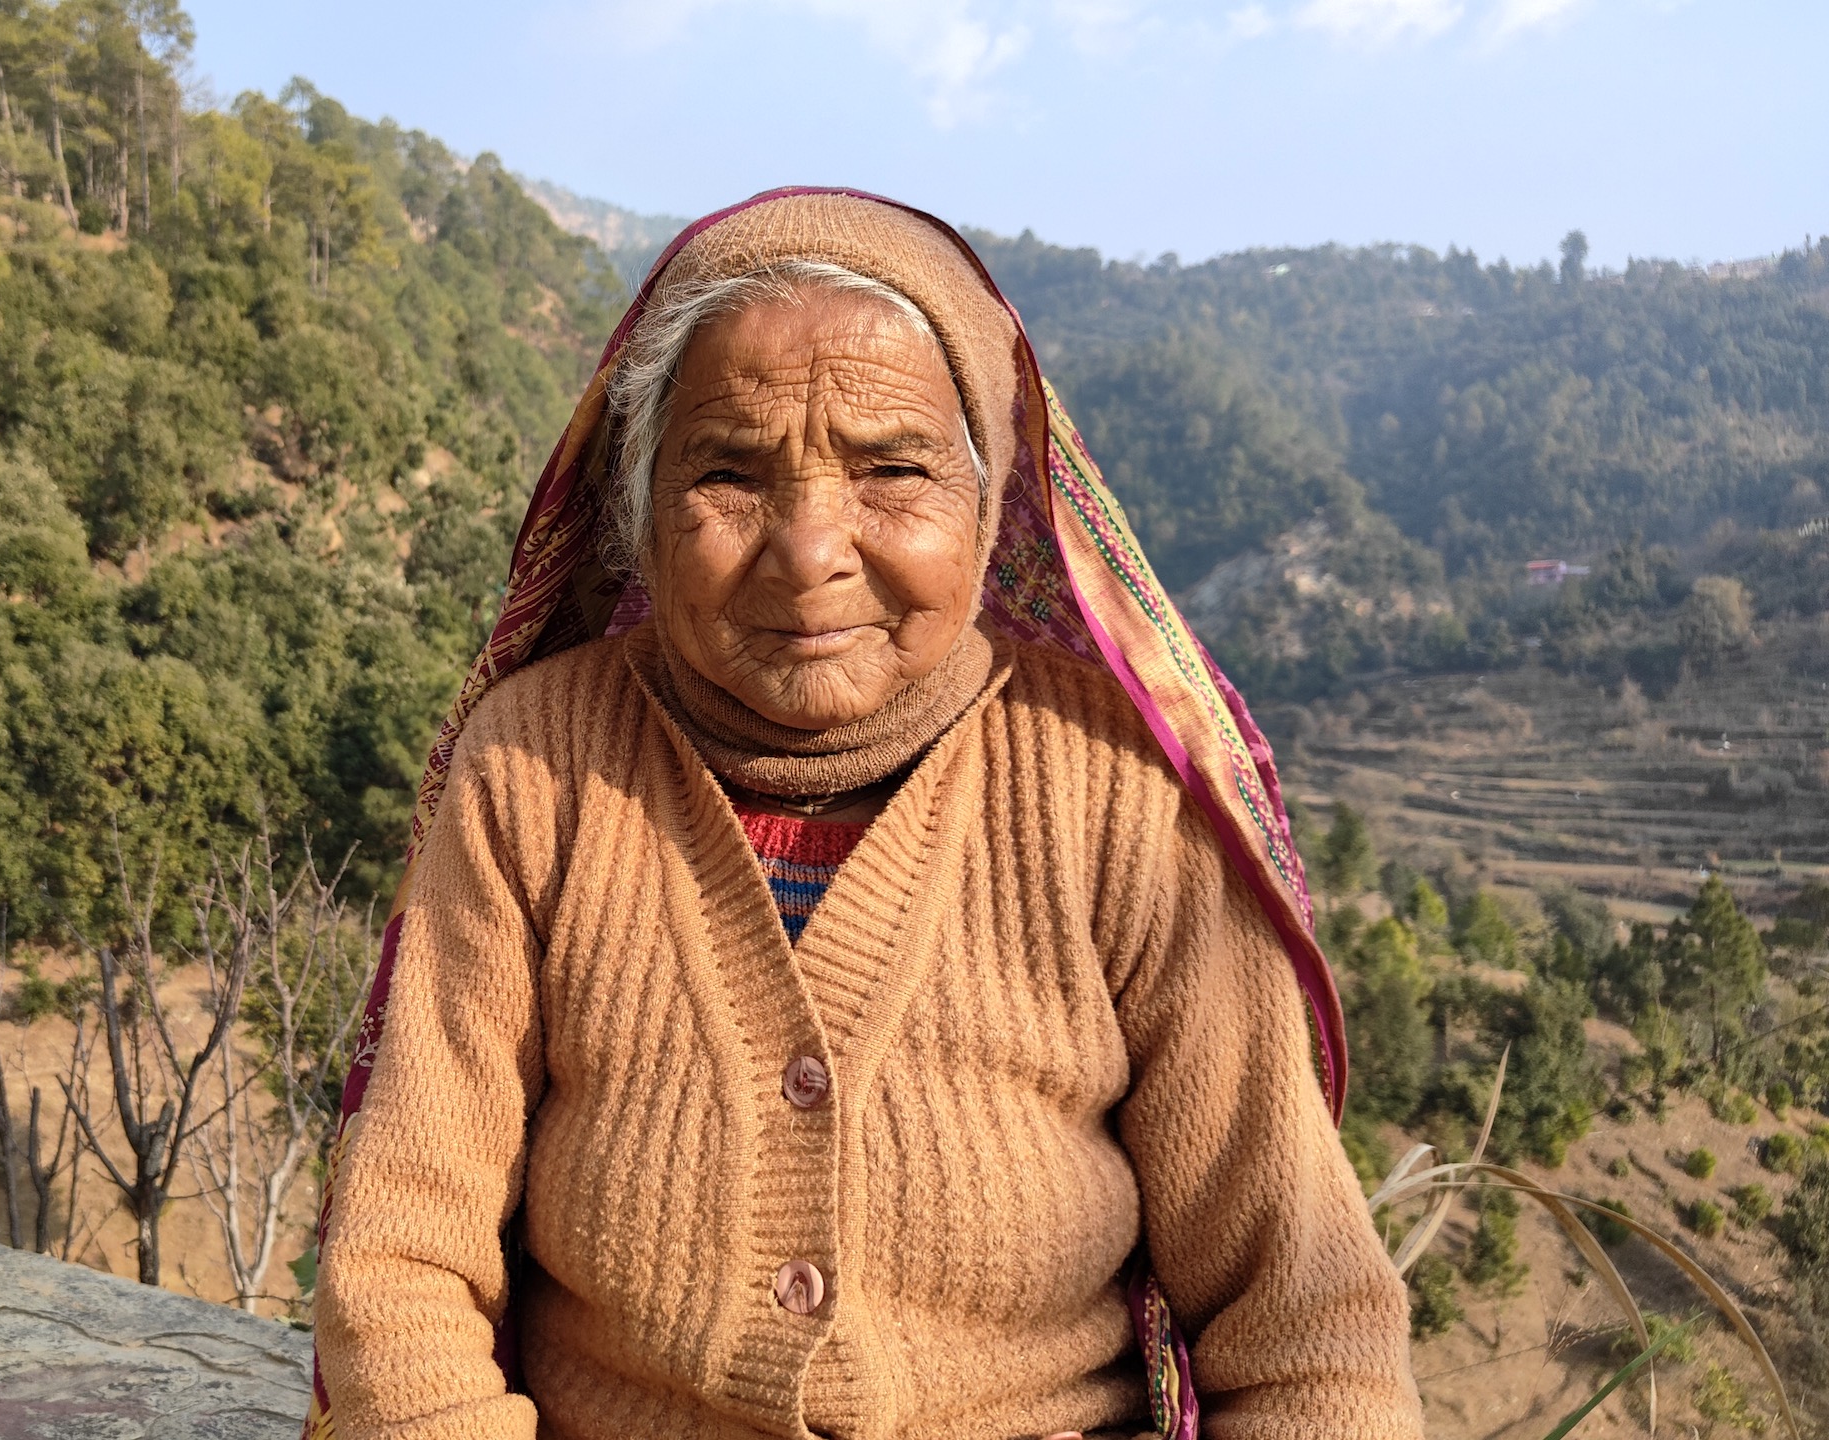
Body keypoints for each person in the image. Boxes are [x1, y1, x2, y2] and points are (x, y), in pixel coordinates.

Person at [305, 189, 1421, 1440]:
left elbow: (1305, 1326)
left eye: (892, 469)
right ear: (637, 515)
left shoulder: (1111, 787)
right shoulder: (534, 766)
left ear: (990, 506)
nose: (809, 550)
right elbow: (403, 1265)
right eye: (728, 473)